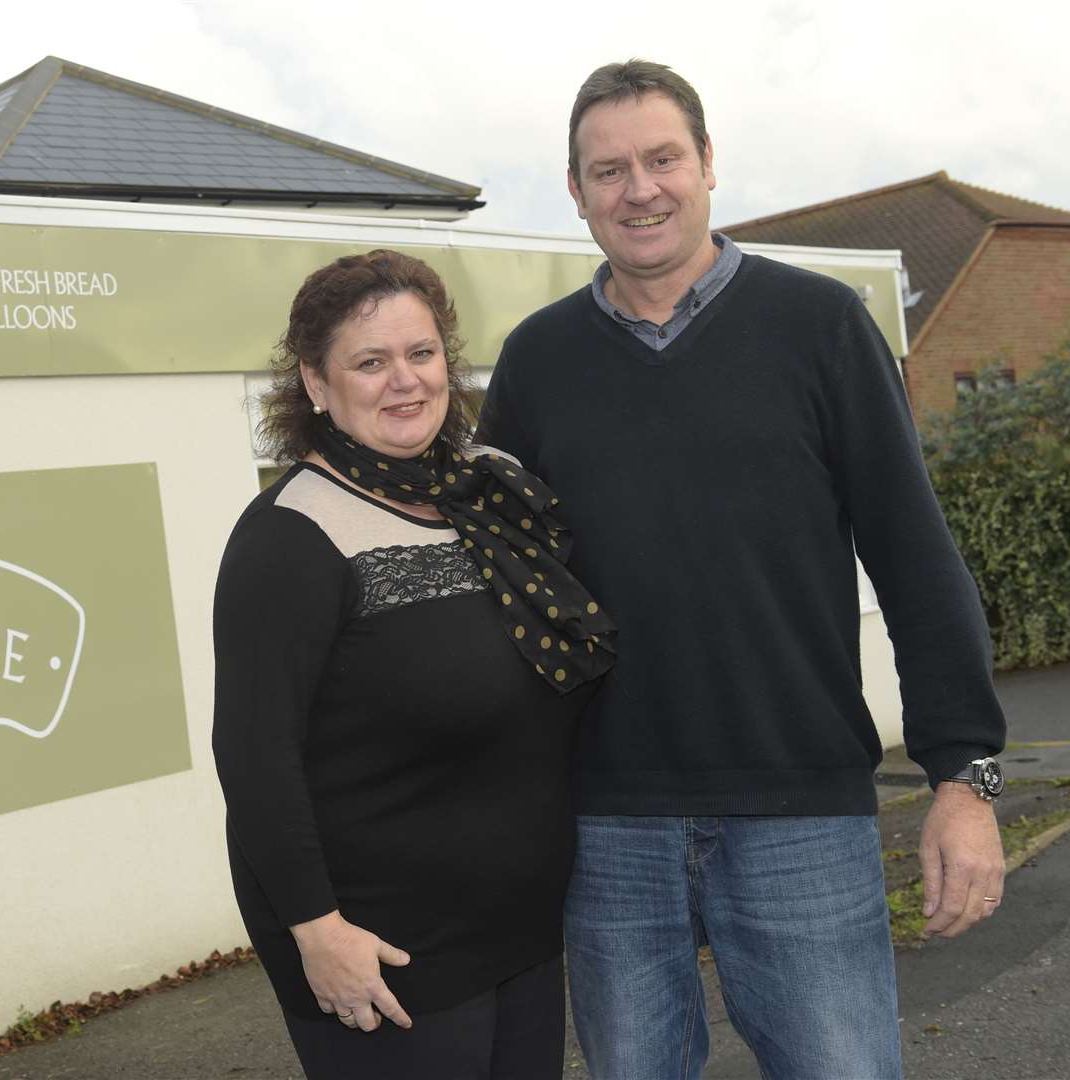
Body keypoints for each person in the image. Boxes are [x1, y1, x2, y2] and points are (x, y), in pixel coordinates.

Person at [478, 60, 1007, 1079]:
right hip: (606, 821)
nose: (640, 189)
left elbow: (915, 559)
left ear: (709, 164)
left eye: (663, 158)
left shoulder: (819, 328)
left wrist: (965, 776)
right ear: (578, 191)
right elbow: (503, 600)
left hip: (800, 810)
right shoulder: (537, 362)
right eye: (609, 170)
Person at [212, 249, 615, 1079]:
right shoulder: (292, 533)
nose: (404, 381)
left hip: (522, 933)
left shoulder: (491, 489)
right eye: (369, 361)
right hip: (386, 957)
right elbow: (254, 759)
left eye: (420, 353)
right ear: (317, 385)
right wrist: (316, 932)